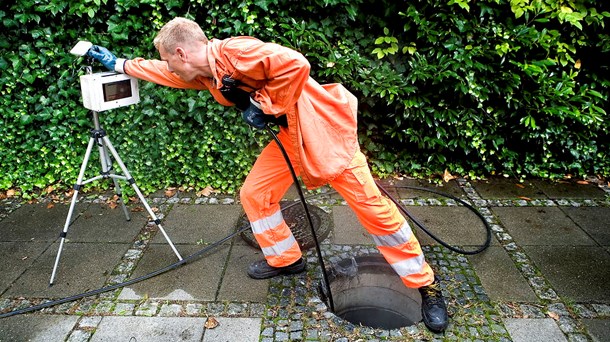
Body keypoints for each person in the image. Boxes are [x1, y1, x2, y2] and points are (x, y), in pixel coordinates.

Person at [87, 17, 449, 333]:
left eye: (171, 59)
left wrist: (263, 105)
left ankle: (426, 285)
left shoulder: (237, 53)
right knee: (254, 194)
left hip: (322, 132)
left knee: (373, 209)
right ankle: (286, 259)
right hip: (289, 138)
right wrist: (119, 63)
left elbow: (296, 63)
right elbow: (164, 73)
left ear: (182, 53)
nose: (171, 67)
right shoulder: (206, 73)